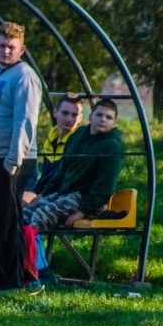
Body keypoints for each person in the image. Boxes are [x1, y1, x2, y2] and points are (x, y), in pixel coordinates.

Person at [0, 22, 42, 296]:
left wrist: (13, 161)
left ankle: (13, 282)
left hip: (10, 159)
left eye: (11, 47)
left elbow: (25, 120)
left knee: (5, 222)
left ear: (21, 49)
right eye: (1, 45)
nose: (5, 51)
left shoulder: (24, 76)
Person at [24, 98, 123, 230]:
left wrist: (81, 212)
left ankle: (35, 250)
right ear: (91, 116)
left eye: (108, 117)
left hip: (87, 200)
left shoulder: (111, 146)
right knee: (24, 214)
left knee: (39, 216)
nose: (103, 119)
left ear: (114, 123)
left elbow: (104, 188)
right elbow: (62, 171)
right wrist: (43, 194)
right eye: (99, 115)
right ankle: (15, 250)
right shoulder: (78, 135)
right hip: (66, 193)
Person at [31, 93, 84, 197]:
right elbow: (45, 176)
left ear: (80, 117)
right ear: (55, 112)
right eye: (65, 113)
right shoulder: (51, 137)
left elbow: (62, 182)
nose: (69, 119)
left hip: (60, 195)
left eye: (74, 115)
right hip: (43, 190)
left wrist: (37, 196)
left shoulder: (78, 142)